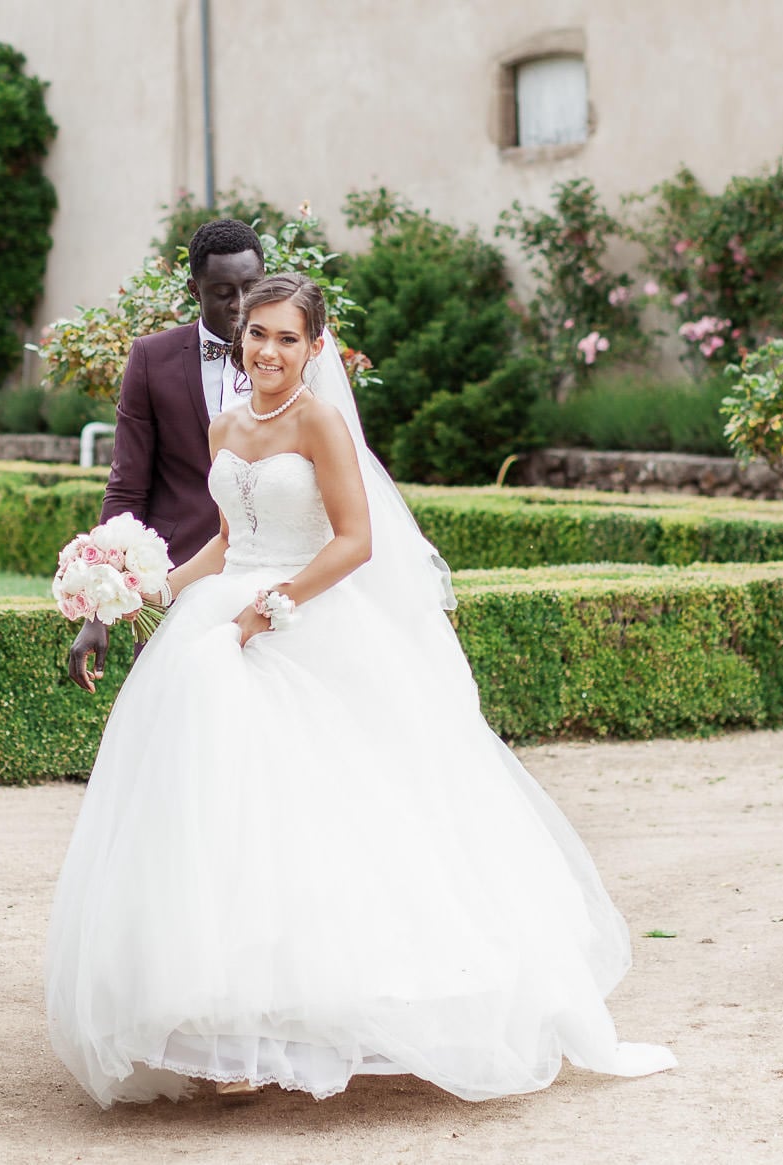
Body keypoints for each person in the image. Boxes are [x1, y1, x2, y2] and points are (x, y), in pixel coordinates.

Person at [44, 273, 675, 1106]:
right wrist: (148, 586)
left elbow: (355, 541)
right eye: (257, 334)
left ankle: (321, 1016)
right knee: (219, 821)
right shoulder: (227, 423)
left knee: (334, 820)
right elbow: (228, 542)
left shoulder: (322, 422)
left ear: (314, 346)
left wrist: (278, 606)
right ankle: (227, 1023)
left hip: (305, 622)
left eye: (286, 338)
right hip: (223, 618)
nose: (268, 350)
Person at [66, 218, 264, 691]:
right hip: (176, 583)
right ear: (194, 289)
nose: (240, 305)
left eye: (250, 287)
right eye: (222, 292)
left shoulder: (292, 356)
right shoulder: (152, 359)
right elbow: (126, 487)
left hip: (273, 578)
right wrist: (100, 606)